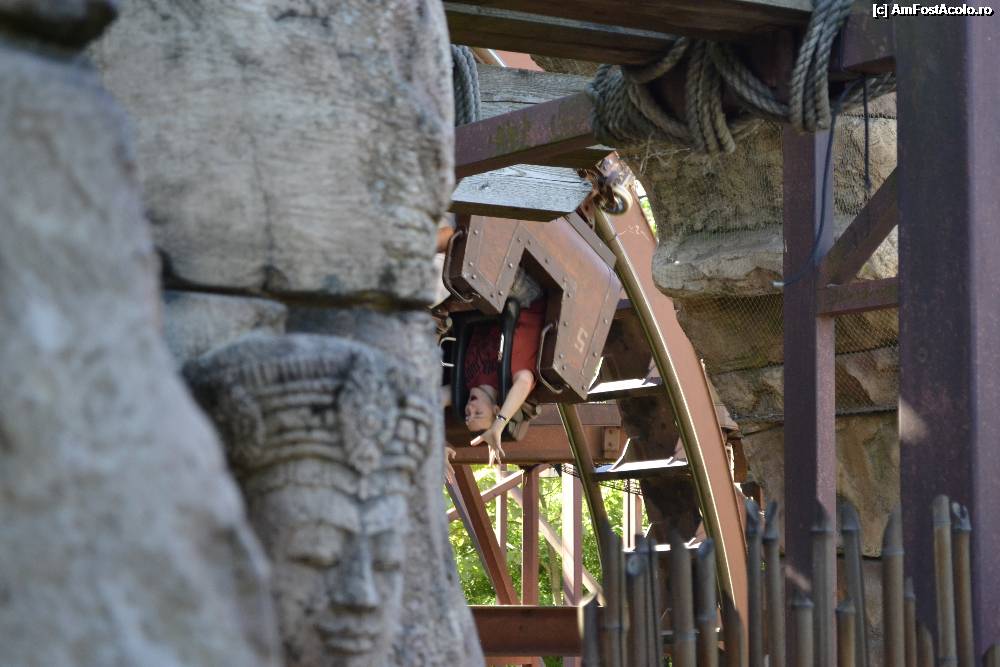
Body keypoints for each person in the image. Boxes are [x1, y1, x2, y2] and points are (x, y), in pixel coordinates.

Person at [437, 225, 544, 465]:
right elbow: (525, 381)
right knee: (473, 257)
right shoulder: (510, 380)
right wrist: (498, 425)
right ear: (496, 409)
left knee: (445, 275)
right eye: (478, 413)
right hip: (525, 300)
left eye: (468, 415)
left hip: (483, 304)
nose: (470, 410)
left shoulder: (466, 384)